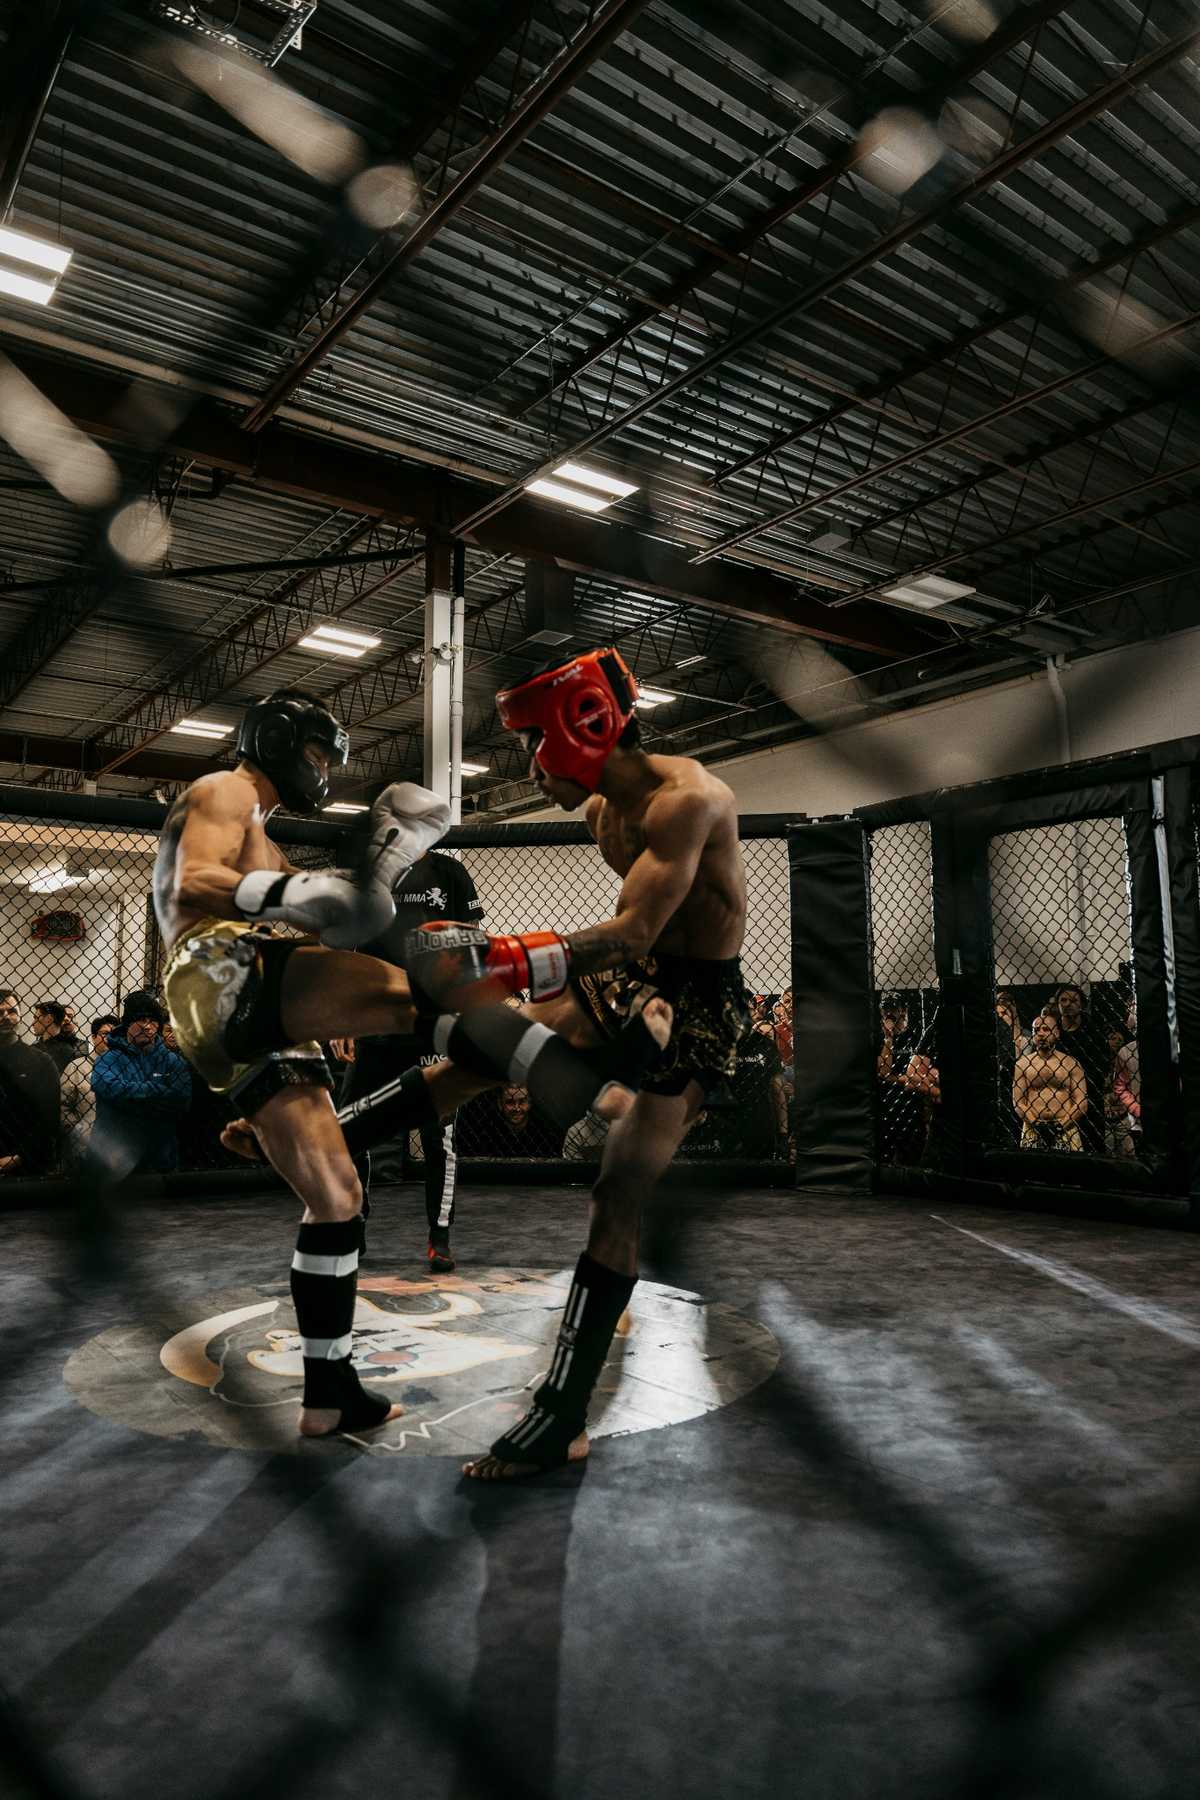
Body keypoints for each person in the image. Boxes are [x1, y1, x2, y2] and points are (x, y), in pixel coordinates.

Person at [155, 686, 662, 1441]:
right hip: (221, 970)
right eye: (315, 753)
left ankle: (329, 1396)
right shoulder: (225, 788)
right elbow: (190, 881)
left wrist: (339, 891)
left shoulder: (261, 824)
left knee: (337, 1196)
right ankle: (593, 1090)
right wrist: (304, 890)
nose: (321, 768)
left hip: (240, 1015)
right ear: (276, 742)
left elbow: (307, 921)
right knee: (432, 992)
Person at [407, 646, 749, 1480]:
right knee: (465, 1063)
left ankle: (562, 1415)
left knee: (617, 1191)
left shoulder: (691, 799)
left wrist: (502, 959)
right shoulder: (604, 816)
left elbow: (633, 932)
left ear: (586, 719)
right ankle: (336, 1135)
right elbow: (627, 949)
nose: (529, 760)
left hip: (698, 1002)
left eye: (533, 738)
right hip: (633, 983)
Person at [334, 844, 485, 1274]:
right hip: (377, 1022)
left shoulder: (449, 873)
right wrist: (346, 1017)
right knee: (351, 1126)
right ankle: (352, 1225)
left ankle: (439, 1237)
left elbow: (472, 944)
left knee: (441, 1134)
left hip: (433, 1022)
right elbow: (349, 958)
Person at [89, 991, 192, 1175]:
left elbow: (181, 1099)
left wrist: (132, 1095)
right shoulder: (107, 1059)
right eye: (140, 1019)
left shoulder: (173, 1061)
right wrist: (160, 1091)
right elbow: (111, 1090)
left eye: (153, 1020)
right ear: (128, 1023)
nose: (147, 1026)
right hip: (113, 1159)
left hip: (160, 1159)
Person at [0, 988, 61, 1176]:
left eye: (12, 1011)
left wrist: (19, 1157)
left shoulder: (41, 1061)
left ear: (20, 1016)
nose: (6, 1017)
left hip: (29, 1164)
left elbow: (49, 1117)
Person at [1013, 1012, 1087, 1152]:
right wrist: (1035, 1123)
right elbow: (1017, 1101)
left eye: (1046, 1029)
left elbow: (1082, 1103)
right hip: (1032, 1127)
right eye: (1036, 1030)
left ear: (1057, 1033)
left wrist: (1061, 1126)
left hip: (1065, 1127)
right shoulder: (1022, 1064)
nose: (1040, 1033)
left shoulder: (1071, 1063)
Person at [1053, 984, 1108, 1155]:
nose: (1069, 1004)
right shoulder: (1052, 1031)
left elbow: (1102, 1067)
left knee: (1091, 1146)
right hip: (1056, 1099)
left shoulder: (1093, 1032)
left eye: (1074, 1000)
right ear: (1057, 1004)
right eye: (1064, 1000)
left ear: (1082, 1005)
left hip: (1089, 1100)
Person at [30, 1000, 85, 1072]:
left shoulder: (66, 1051)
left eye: (36, 1018)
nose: (32, 1023)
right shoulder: (34, 1047)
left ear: (49, 1019)